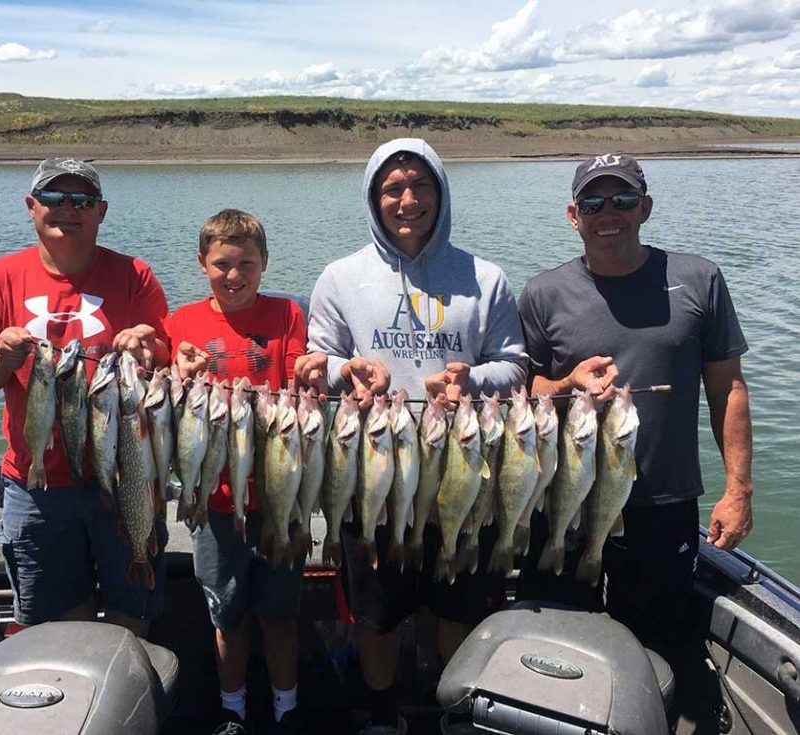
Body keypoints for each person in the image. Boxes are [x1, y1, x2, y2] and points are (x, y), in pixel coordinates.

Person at [302, 138, 526, 735]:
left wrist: (471, 379)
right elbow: (316, 360)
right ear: (374, 199)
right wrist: (346, 371)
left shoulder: (486, 278)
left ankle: (457, 710)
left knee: (460, 604)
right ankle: (382, 712)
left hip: (466, 464)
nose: (407, 200)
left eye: (420, 185)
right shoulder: (340, 277)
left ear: (441, 193)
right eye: (392, 189)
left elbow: (515, 365)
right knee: (376, 612)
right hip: (373, 465)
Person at [517, 153, 754, 651]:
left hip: (663, 503)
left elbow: (728, 388)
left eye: (623, 199)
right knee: (555, 645)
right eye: (593, 203)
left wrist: (738, 491)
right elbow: (527, 390)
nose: (608, 213)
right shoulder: (542, 293)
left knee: (656, 646)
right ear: (573, 215)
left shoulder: (699, 279)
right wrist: (567, 384)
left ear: (645, 207)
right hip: (567, 496)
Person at [0, 157, 171, 637]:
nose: (68, 209)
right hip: (37, 486)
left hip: (125, 475)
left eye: (82, 200)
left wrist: (148, 345)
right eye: (54, 198)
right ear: (31, 206)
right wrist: (0, 354)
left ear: (102, 211)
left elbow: (165, 356)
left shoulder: (134, 274)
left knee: (132, 608)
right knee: (56, 624)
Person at [166, 209, 310, 735]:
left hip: (278, 497)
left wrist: (313, 373)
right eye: (222, 264)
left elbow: (299, 381)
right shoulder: (181, 322)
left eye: (246, 263)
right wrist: (177, 372)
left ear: (265, 263)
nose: (234, 275)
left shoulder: (288, 315)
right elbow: (165, 401)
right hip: (216, 504)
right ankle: (233, 710)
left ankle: (287, 709)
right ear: (202, 263)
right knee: (227, 620)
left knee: (279, 618)